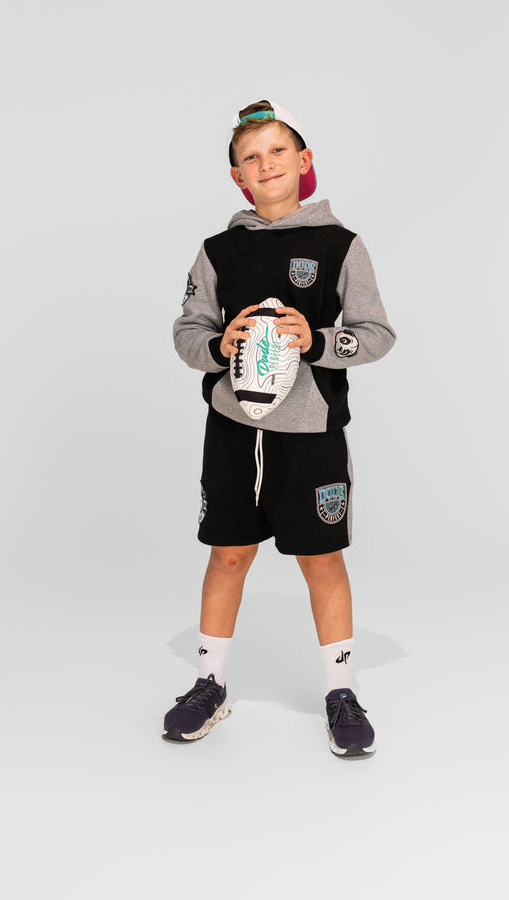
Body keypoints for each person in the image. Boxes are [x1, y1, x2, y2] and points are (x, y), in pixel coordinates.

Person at [164, 100, 396, 757]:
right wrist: (219, 346)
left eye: (276, 150)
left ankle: (341, 692)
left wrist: (317, 339)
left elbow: (376, 334)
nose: (265, 163)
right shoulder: (218, 251)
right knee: (228, 554)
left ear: (303, 160)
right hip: (233, 431)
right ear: (237, 176)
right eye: (250, 157)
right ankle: (209, 683)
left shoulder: (340, 246)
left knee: (321, 559)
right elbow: (187, 332)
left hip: (311, 431)